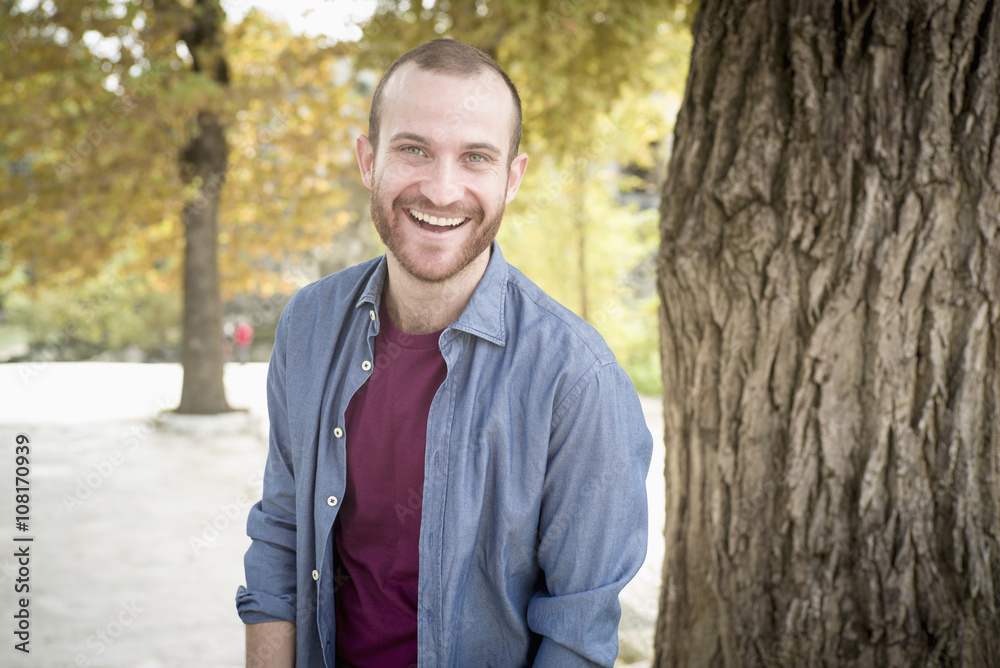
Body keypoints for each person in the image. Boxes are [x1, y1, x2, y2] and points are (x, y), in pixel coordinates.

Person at [236, 38, 653, 668]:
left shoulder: (576, 381)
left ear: (512, 179)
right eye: (413, 150)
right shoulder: (310, 325)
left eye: (476, 158)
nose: (441, 189)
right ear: (366, 159)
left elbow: (576, 635)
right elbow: (280, 536)